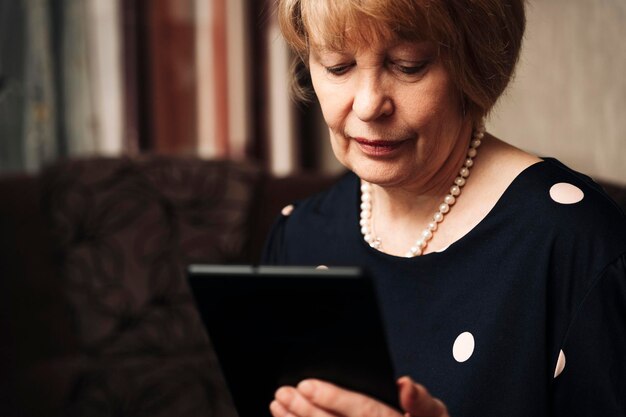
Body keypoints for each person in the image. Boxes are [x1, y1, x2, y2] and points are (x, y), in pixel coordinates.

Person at [262, 0, 626, 416]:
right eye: (338, 66)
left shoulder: (578, 244)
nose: (367, 105)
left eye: (408, 65)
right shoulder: (298, 236)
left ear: (476, 61)